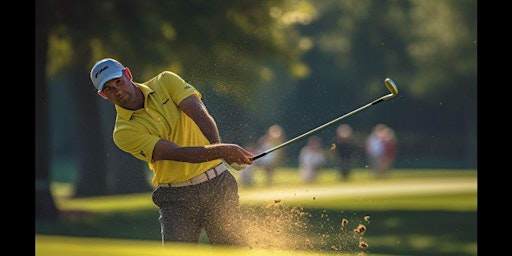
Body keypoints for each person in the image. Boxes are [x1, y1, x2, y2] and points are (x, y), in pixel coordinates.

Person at [89, 58, 254, 246]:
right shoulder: (123, 133)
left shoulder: (166, 82)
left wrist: (220, 151)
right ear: (103, 95)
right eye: (109, 88)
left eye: (118, 81)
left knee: (232, 250)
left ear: (127, 75)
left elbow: (200, 115)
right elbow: (177, 153)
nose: (117, 90)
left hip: (217, 185)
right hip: (176, 199)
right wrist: (222, 151)